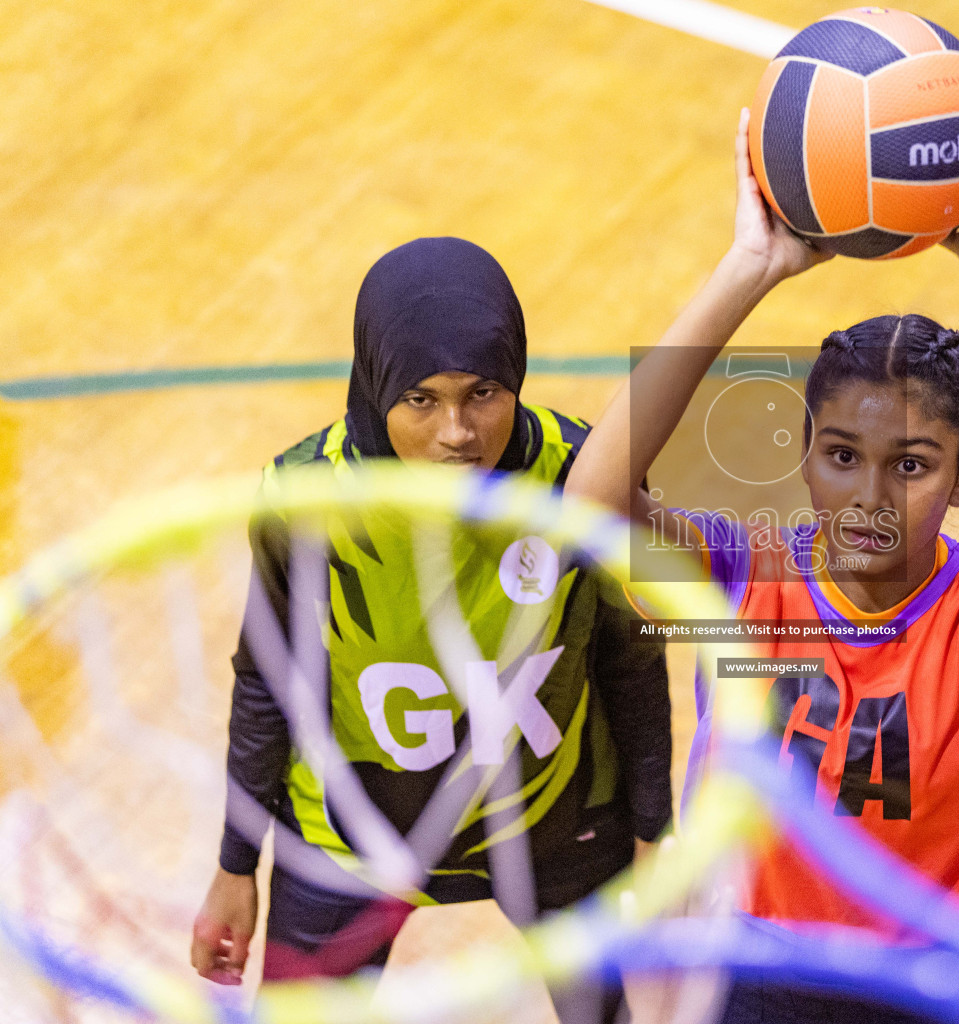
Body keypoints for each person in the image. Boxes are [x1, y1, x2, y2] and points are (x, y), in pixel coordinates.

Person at [563, 85, 959, 1023]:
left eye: (915, 465)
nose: (870, 499)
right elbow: (594, 503)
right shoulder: (742, 575)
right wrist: (749, 267)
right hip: (764, 977)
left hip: (940, 978)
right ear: (804, 451)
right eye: (842, 456)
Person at [189, 237, 672, 1022]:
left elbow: (629, 664)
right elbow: (269, 681)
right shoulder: (307, 496)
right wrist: (235, 865)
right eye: (421, 399)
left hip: (556, 825)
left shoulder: (582, 476)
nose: (457, 431)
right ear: (377, 384)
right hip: (351, 840)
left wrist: (656, 833)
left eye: (483, 392)